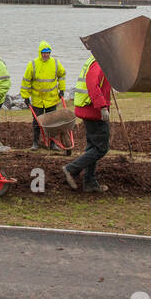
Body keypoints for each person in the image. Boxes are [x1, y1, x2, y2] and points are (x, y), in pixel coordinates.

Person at [63, 55, 112, 192]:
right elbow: (92, 85)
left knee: (93, 147)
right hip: (94, 112)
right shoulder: (98, 65)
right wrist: (102, 107)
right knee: (101, 148)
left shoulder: (95, 61)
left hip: (89, 110)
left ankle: (89, 182)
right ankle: (71, 169)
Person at [20, 41, 67, 150]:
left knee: (52, 123)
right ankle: (35, 143)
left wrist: (62, 89)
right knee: (37, 122)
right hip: (38, 100)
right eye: (43, 52)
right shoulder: (33, 64)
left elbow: (62, 75)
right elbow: (26, 81)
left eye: (48, 52)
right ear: (39, 53)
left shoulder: (55, 63)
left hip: (51, 99)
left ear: (50, 53)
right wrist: (25, 97)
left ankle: (52, 144)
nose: (46, 55)